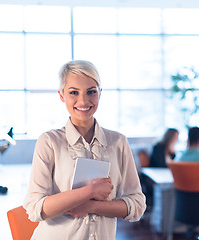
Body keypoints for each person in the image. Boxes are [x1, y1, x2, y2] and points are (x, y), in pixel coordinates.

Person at [23, 60, 146, 240]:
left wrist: (91, 207)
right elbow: (35, 209)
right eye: (74, 92)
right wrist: (89, 191)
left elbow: (137, 205)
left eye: (91, 92)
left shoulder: (118, 142)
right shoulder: (49, 142)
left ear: (100, 93)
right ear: (61, 95)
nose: (83, 100)